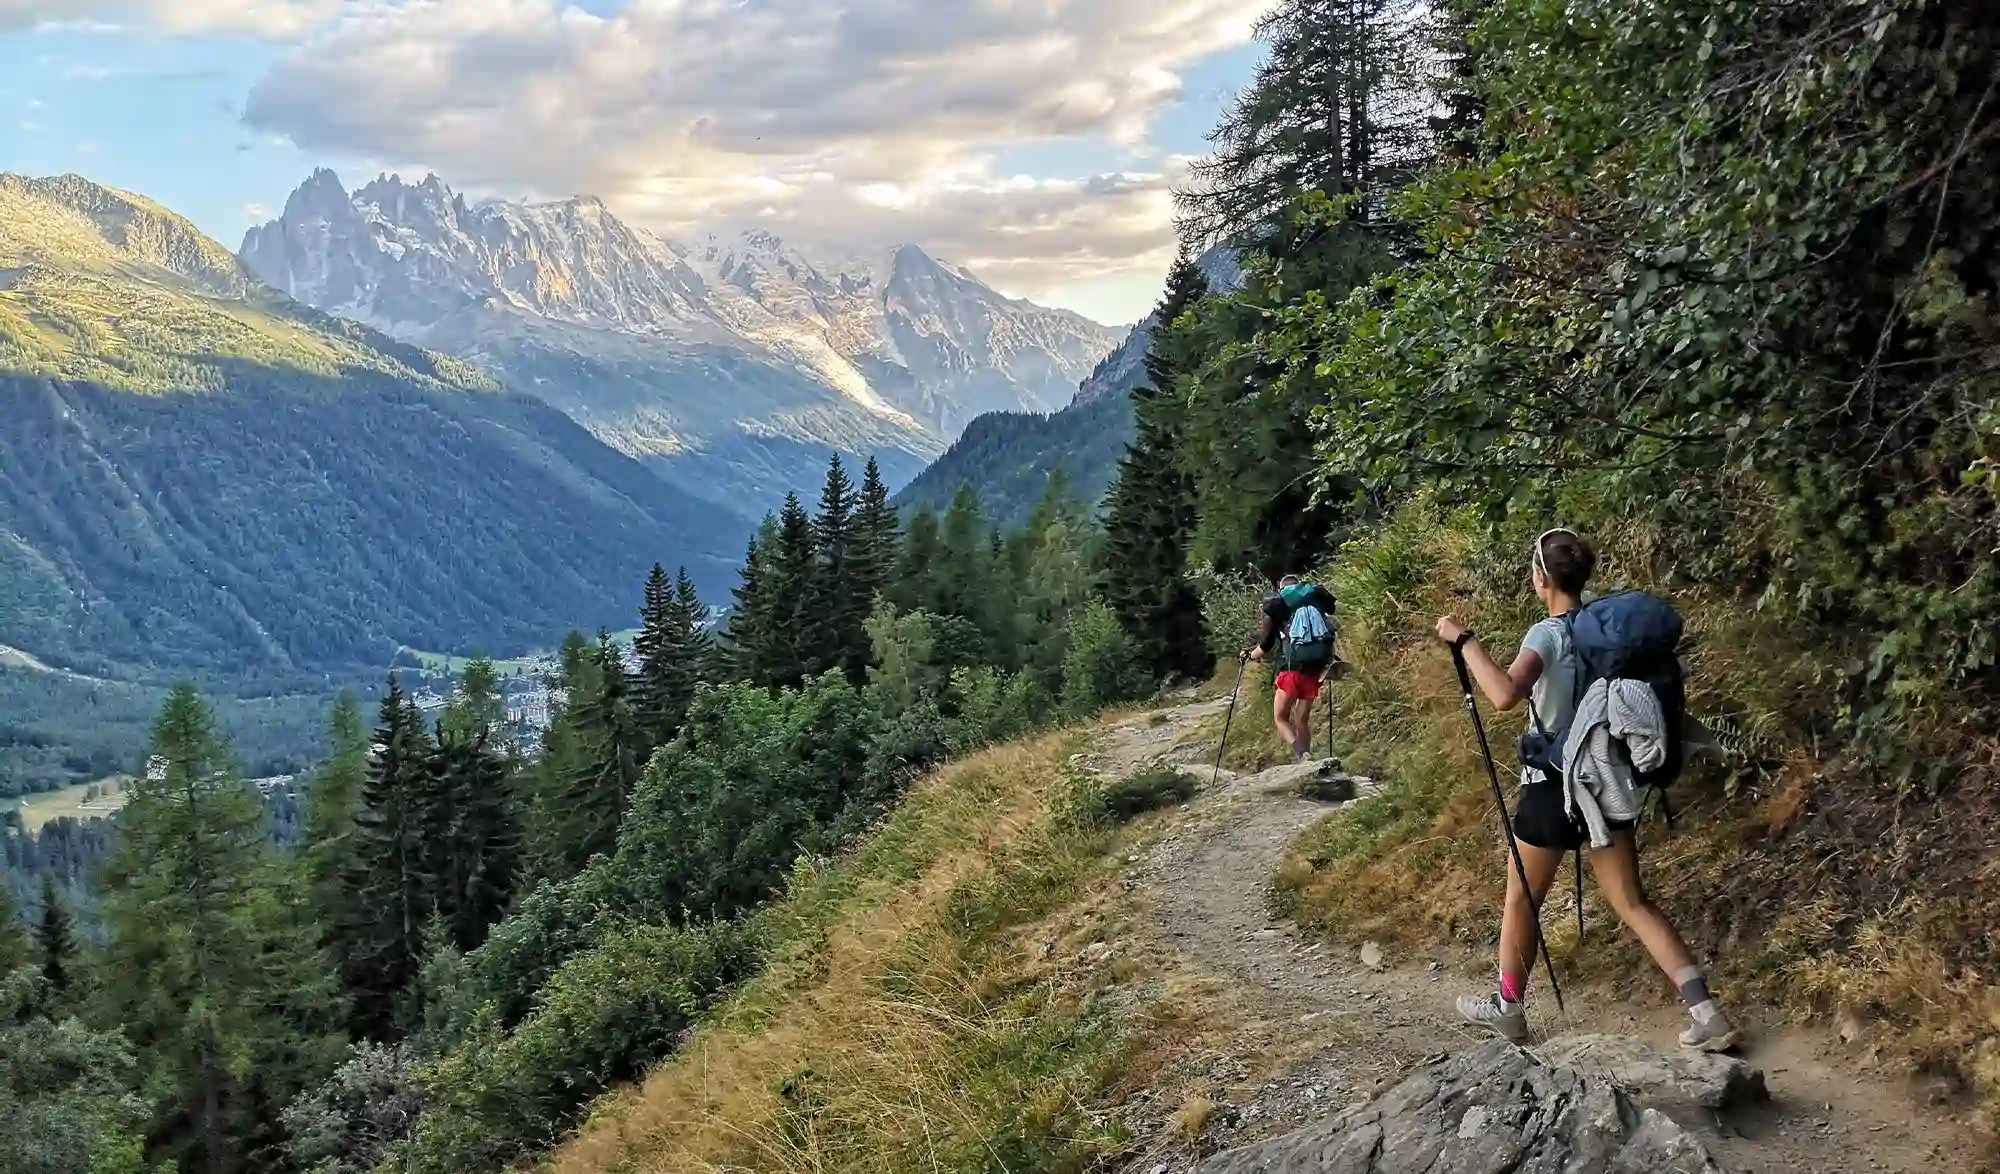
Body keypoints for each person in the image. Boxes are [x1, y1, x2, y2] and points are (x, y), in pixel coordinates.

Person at [1434, 528, 1737, 1052]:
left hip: (1553, 788)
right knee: (1633, 902)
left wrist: (1464, 642)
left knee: (1522, 900)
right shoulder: (1607, 632)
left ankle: (1508, 1006)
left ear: (1542, 579)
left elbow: (1506, 694)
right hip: (1604, 782)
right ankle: (1706, 1012)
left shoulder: (1547, 634)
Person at [1248, 574, 1338, 763]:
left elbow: (1264, 647)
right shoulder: (1314, 602)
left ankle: (1301, 752)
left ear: (1282, 589)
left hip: (1290, 670)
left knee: (1280, 717)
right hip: (1315, 669)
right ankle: (1307, 759)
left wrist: (1248, 656)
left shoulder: (1280, 607)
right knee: (1301, 718)